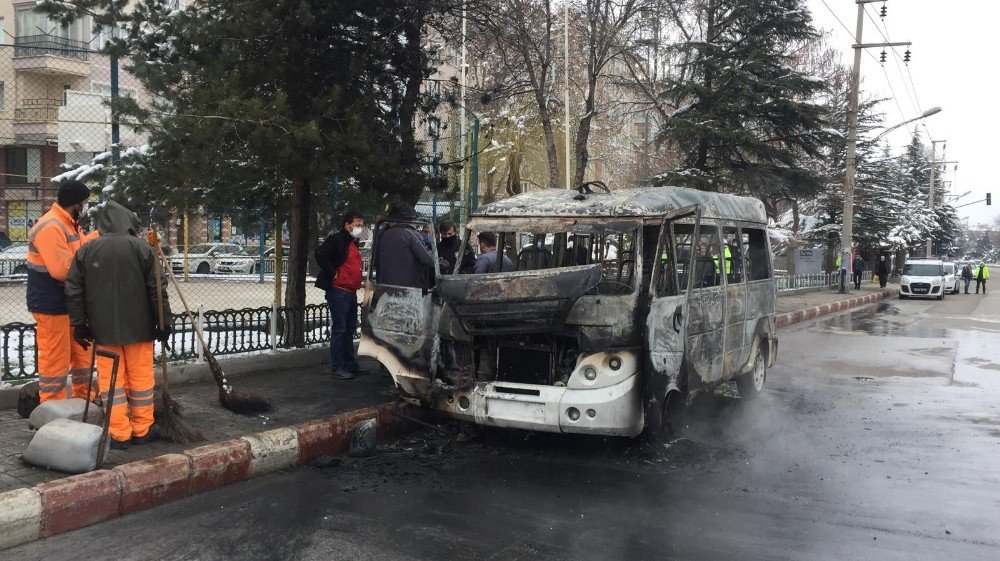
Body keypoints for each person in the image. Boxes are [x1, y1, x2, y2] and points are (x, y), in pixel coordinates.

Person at [65, 201, 171, 449]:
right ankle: (142, 429)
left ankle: (118, 433)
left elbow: (74, 291)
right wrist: (164, 322)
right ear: (129, 222)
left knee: (111, 381)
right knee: (141, 380)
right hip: (140, 329)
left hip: (103, 331)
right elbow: (157, 290)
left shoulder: (86, 251)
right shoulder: (143, 250)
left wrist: (79, 325)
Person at [27, 180, 98, 403]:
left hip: (67, 304)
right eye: (84, 203)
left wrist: (101, 236)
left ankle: (84, 401)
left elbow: (81, 248)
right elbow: (63, 269)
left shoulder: (68, 223)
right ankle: (52, 408)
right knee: (55, 361)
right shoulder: (51, 226)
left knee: (81, 355)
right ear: (74, 204)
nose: (86, 207)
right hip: (51, 305)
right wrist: (92, 271)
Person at [315, 210, 366, 380]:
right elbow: (320, 253)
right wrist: (332, 272)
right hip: (339, 291)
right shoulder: (337, 239)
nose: (360, 228)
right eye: (358, 225)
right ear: (347, 225)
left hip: (349, 292)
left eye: (361, 225)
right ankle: (338, 366)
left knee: (348, 329)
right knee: (340, 329)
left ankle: (349, 363)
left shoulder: (351, 242)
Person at [373, 206, 436, 288]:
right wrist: (443, 263)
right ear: (413, 220)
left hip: (384, 286)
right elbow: (428, 258)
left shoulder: (383, 234)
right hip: (407, 288)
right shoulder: (411, 234)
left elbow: (376, 261)